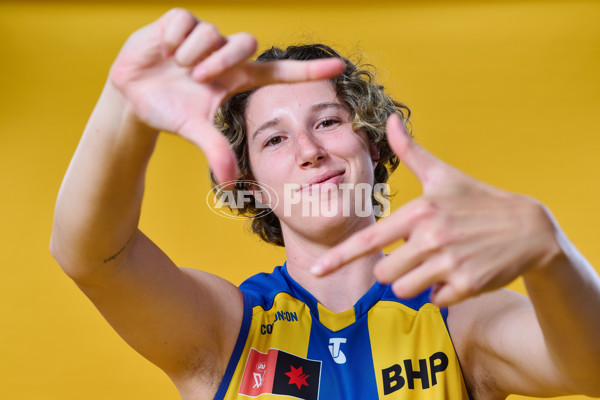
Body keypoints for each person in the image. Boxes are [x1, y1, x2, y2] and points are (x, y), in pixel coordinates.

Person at [50, 8, 600, 400]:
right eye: (274, 139)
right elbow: (93, 255)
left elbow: (591, 368)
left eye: (328, 122)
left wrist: (553, 256)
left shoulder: (460, 320)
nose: (310, 151)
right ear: (252, 186)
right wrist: (122, 105)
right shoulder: (225, 328)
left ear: (372, 143)